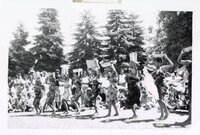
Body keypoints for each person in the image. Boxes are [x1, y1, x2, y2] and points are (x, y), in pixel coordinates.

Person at [150, 53, 174, 120]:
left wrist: (166, 58)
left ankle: (166, 112)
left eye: (155, 62)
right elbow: (146, 66)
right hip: (157, 86)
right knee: (158, 100)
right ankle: (162, 115)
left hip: (162, 86)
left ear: (159, 62)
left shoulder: (162, 68)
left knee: (160, 99)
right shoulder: (154, 70)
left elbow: (172, 65)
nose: (154, 64)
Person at [176, 46, 192, 125]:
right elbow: (179, 61)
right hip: (191, 81)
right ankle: (190, 118)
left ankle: (190, 119)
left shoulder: (190, 62)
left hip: (193, 81)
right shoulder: (189, 62)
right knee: (191, 100)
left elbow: (178, 61)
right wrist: (182, 53)